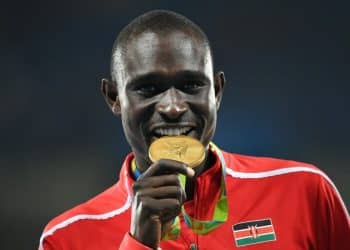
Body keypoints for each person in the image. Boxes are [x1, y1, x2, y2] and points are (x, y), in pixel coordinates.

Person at [39, 10, 350, 250]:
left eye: (191, 85)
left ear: (216, 90)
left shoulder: (304, 193)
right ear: (114, 97)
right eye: (148, 89)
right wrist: (139, 242)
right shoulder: (67, 237)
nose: (173, 107)